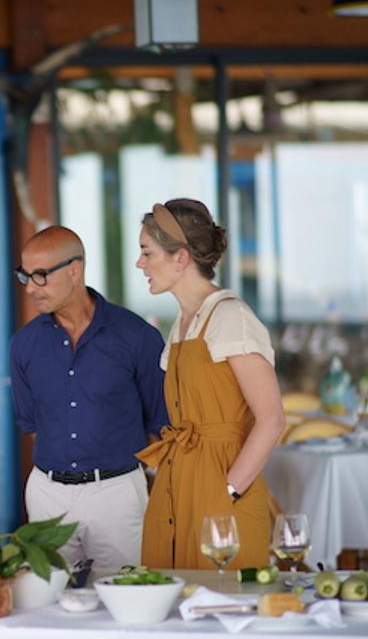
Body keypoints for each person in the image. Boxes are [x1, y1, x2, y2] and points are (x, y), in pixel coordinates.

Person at [134, 198, 285, 569]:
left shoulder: (231, 316)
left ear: (180, 258)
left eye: (147, 253)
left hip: (220, 484)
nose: (140, 263)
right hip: (179, 485)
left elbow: (272, 419)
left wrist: (229, 490)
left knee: (224, 605)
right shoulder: (184, 323)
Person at [9, 226, 168, 575]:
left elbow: (159, 423)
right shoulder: (23, 345)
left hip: (117, 493)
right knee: (48, 602)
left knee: (124, 597)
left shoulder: (137, 337)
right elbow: (33, 425)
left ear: (74, 270)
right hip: (47, 494)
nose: (30, 288)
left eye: (40, 276)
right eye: (25, 275)